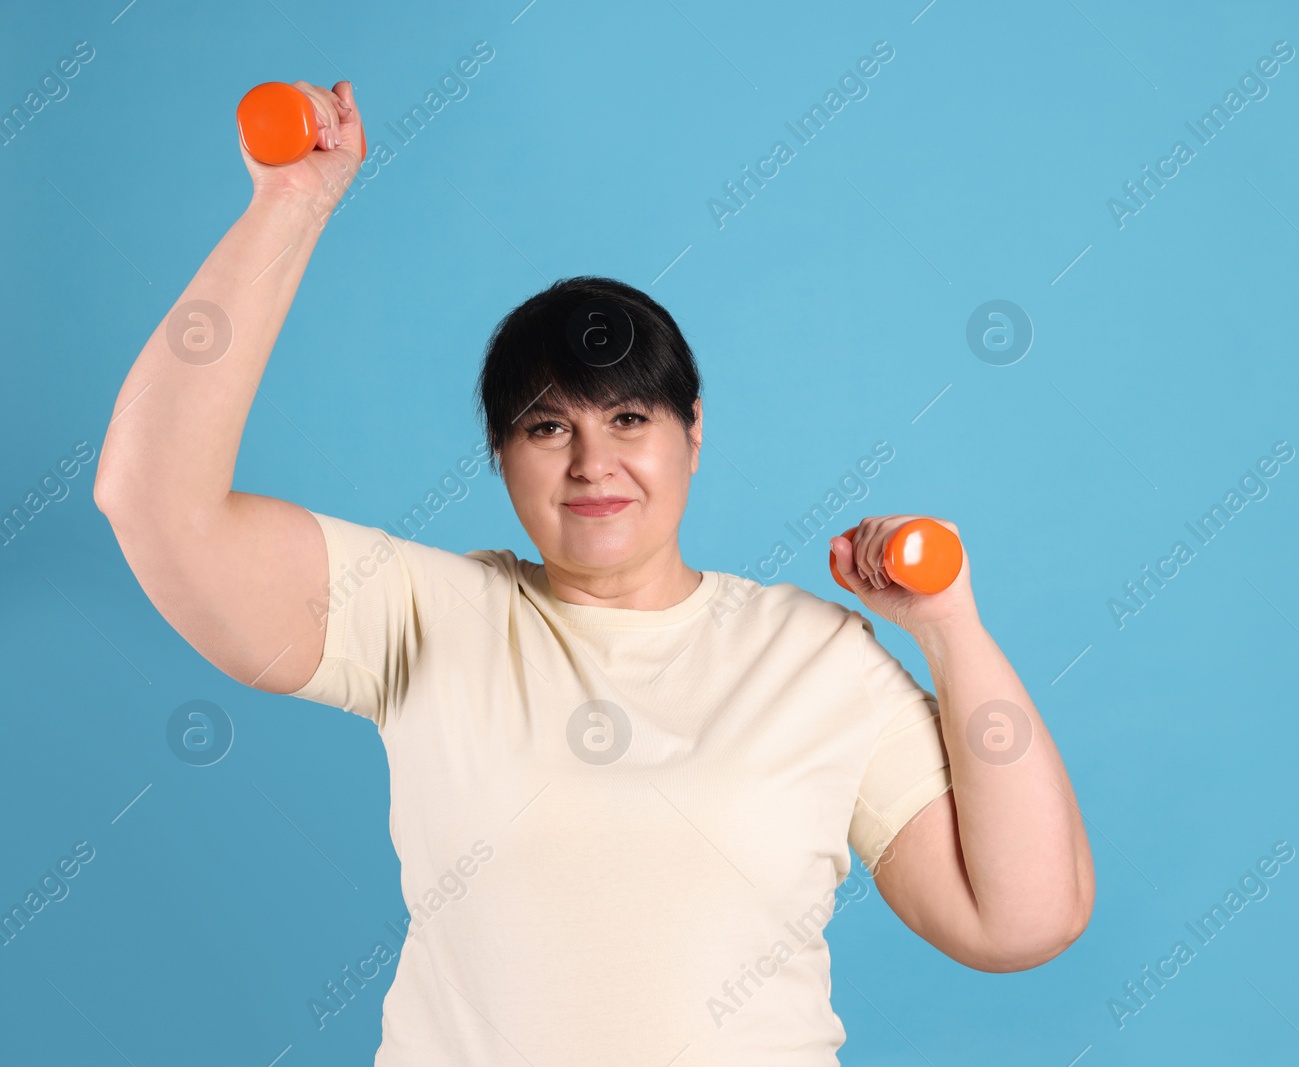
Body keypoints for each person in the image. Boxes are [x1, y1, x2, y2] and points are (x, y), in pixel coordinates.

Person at [93, 79, 1094, 1065]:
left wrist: (948, 626)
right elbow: (156, 504)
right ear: (500, 453)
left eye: (627, 418)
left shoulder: (816, 656)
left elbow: (1022, 919)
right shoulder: (421, 612)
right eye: (546, 426)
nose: (591, 463)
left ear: (691, 433)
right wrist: (291, 204)